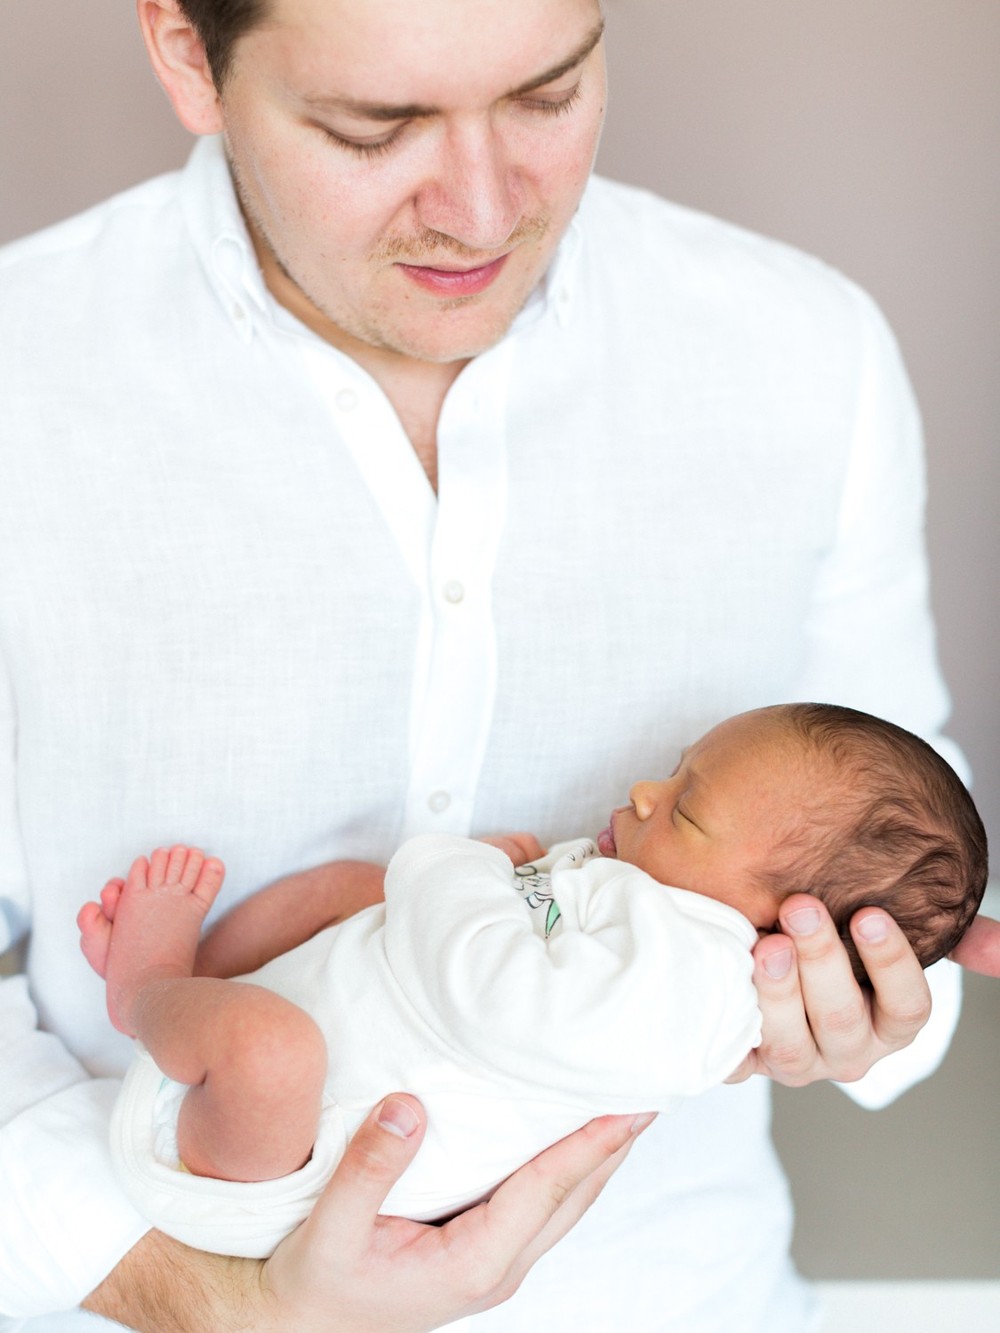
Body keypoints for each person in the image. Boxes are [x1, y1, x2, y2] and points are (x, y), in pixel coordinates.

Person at [1, 0, 998, 1329]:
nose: (481, 211)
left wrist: (875, 1004)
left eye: (546, 95)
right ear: (189, 54)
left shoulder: (806, 357)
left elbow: (909, 905)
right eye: (377, 126)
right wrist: (205, 1297)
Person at [76, 703, 989, 1258]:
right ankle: (194, 989)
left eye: (689, 808)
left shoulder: (694, 985)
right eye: (673, 773)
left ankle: (147, 990)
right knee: (346, 889)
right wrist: (526, 878)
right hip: (324, 1041)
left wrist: (459, 869)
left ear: (787, 918)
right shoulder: (670, 918)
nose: (643, 792)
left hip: (265, 1175)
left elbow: (496, 998)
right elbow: (556, 922)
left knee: (269, 1048)